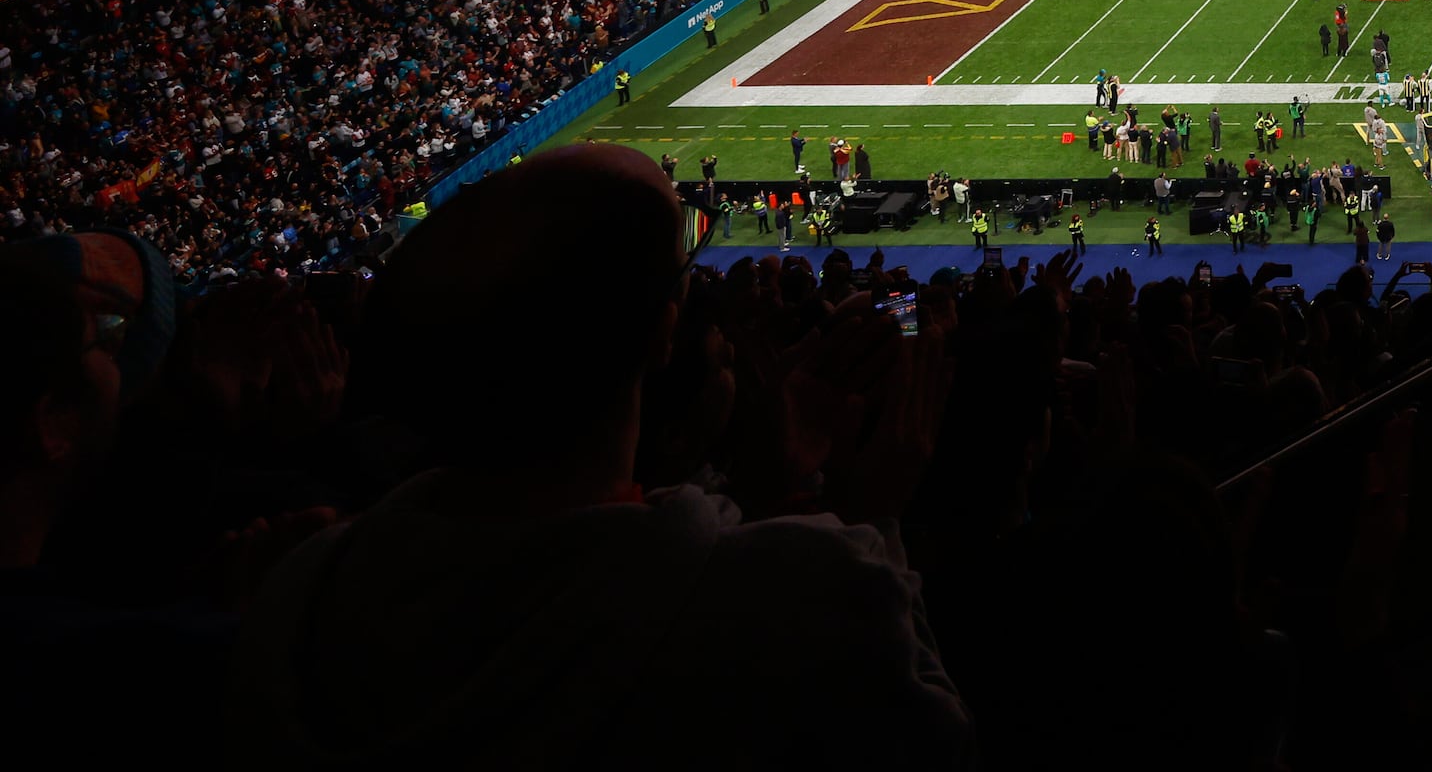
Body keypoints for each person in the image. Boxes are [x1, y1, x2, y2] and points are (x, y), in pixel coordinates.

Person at [227, 145, 972, 761]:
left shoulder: (303, 584)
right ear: (661, 335)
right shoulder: (801, 583)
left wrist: (767, 495)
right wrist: (869, 515)